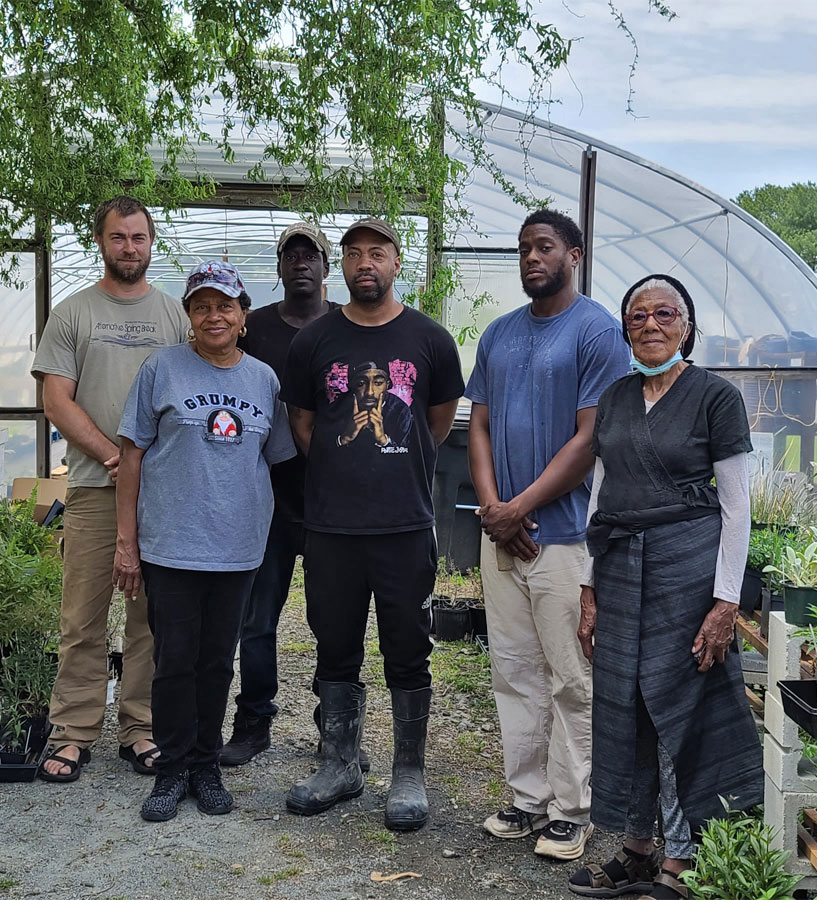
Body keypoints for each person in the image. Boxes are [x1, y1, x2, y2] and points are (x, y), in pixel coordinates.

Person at [567, 274, 761, 899]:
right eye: (638, 315)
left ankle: (683, 858)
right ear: (626, 328)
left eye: (665, 314)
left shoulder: (715, 398)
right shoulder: (617, 397)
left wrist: (726, 601)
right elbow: (601, 493)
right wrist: (590, 589)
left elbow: (736, 507)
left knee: (681, 711)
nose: (650, 325)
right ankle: (636, 848)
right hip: (621, 571)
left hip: (688, 574)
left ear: (687, 325)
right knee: (625, 708)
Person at [280, 217, 465, 831]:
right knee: (334, 645)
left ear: (396, 261)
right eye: (355, 253)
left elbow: (435, 425)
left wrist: (391, 461)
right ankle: (339, 763)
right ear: (344, 264)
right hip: (331, 525)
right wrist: (343, 466)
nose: (366, 263)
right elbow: (305, 425)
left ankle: (407, 770)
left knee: (407, 649)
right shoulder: (315, 341)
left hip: (403, 524)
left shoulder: (430, 340)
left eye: (377, 253)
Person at [466, 209, 628, 862]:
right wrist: (490, 507)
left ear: (575, 255)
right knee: (513, 671)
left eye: (545, 247)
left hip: (564, 539)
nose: (532, 258)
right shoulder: (499, 335)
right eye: (524, 249)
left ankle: (573, 809)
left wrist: (518, 507)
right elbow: (477, 425)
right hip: (501, 535)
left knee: (570, 676)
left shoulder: (597, 333)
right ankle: (527, 798)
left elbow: (591, 439)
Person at [114, 260, 296, 821]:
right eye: (201, 306)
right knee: (173, 660)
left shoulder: (264, 380)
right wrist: (127, 543)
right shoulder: (161, 369)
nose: (213, 316)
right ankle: (170, 771)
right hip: (171, 544)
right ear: (189, 316)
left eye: (224, 306)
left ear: (243, 315)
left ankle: (206, 765)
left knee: (218, 661)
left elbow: (273, 462)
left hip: (237, 548)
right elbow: (131, 456)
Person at [32, 196, 188, 783]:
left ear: (153, 243)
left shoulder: (175, 317)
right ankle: (73, 731)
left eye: (139, 237)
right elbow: (56, 400)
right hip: (99, 487)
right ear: (101, 242)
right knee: (83, 617)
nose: (130, 247)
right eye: (119, 237)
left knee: (152, 616)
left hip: (162, 495)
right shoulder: (73, 314)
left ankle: (141, 727)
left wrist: (149, 468)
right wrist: (113, 456)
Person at [221, 223, 339, 767]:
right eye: (290, 255)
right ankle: (253, 722)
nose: (300, 264)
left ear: (325, 266)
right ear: (279, 268)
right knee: (257, 621)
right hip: (262, 501)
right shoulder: (255, 328)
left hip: (328, 505)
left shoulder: (347, 326)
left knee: (331, 621)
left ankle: (333, 726)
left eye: (310, 255)